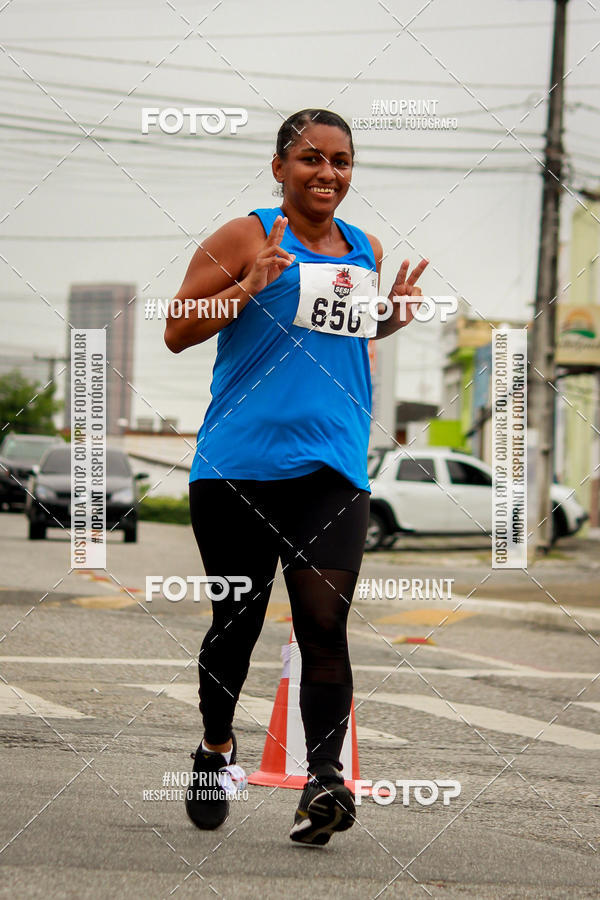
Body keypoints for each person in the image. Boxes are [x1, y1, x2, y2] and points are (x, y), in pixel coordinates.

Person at [164, 108, 428, 845]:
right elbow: (177, 329)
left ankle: (323, 783)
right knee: (236, 625)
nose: (328, 173)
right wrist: (246, 286)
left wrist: (390, 320)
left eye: (341, 161)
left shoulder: (363, 248)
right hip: (237, 469)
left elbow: (343, 326)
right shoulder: (247, 235)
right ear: (279, 167)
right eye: (311, 159)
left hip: (332, 468)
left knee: (323, 622)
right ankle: (216, 749)